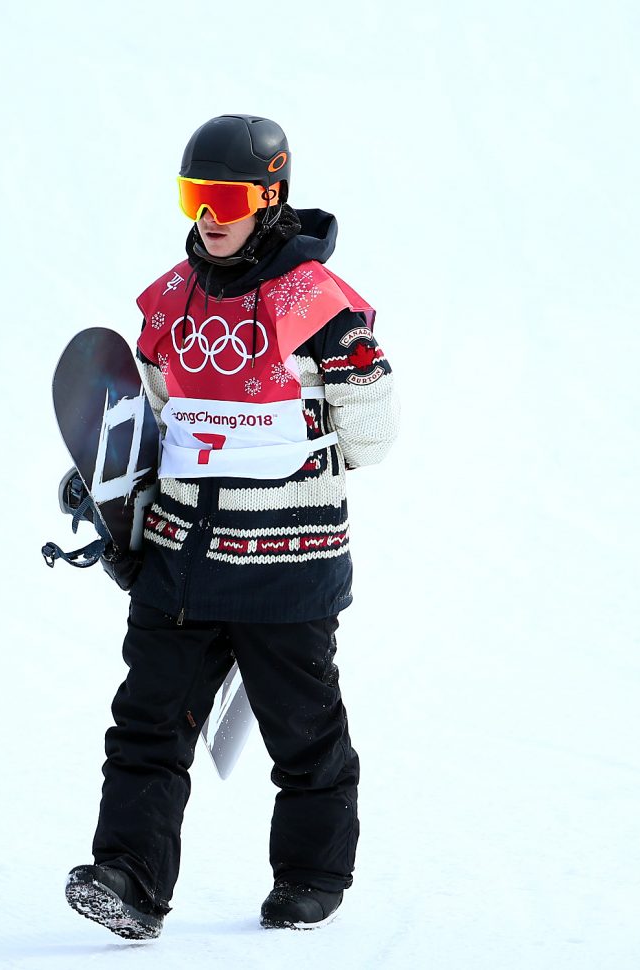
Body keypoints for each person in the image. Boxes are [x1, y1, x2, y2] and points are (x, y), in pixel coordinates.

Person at [65, 114, 400, 939]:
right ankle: (130, 882)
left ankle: (311, 879)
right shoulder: (165, 303)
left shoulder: (324, 309)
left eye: (226, 197)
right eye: (194, 195)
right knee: (147, 723)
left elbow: (372, 439)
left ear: (272, 196)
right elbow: (144, 418)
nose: (208, 215)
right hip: (180, 562)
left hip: (289, 565)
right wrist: (103, 487)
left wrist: (338, 389)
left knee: (304, 734)